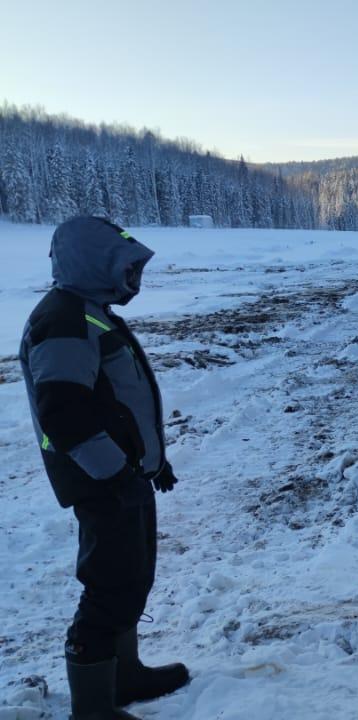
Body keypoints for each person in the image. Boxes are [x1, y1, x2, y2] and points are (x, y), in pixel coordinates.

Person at [19, 217, 190, 719]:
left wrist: (151, 462)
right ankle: (93, 708)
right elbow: (64, 414)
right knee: (109, 586)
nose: (134, 279)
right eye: (126, 267)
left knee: (132, 578)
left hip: (123, 474)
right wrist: (112, 471)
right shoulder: (64, 318)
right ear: (94, 263)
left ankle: (124, 676)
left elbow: (119, 400)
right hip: (99, 480)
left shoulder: (92, 311)